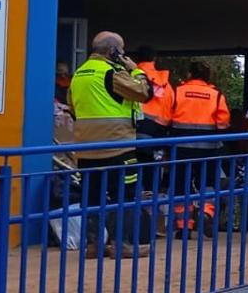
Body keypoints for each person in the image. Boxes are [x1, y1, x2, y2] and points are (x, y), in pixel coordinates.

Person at [68, 31, 153, 258]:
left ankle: (94, 245)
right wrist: (135, 69)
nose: (124, 54)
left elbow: (73, 107)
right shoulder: (111, 72)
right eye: (121, 50)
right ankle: (121, 245)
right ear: (113, 51)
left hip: (86, 149)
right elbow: (145, 93)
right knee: (124, 196)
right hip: (118, 147)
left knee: (92, 198)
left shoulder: (79, 74)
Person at [168, 60, 231, 235]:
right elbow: (223, 123)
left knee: (181, 185)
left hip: (180, 147)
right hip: (208, 148)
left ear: (189, 74)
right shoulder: (216, 95)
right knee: (208, 183)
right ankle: (206, 213)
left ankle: (184, 226)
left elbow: (167, 117)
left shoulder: (177, 92)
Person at [133, 46, 175, 195]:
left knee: (131, 172)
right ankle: (151, 204)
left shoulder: (131, 76)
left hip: (135, 130)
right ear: (154, 60)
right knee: (152, 171)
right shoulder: (165, 83)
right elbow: (170, 106)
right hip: (159, 133)